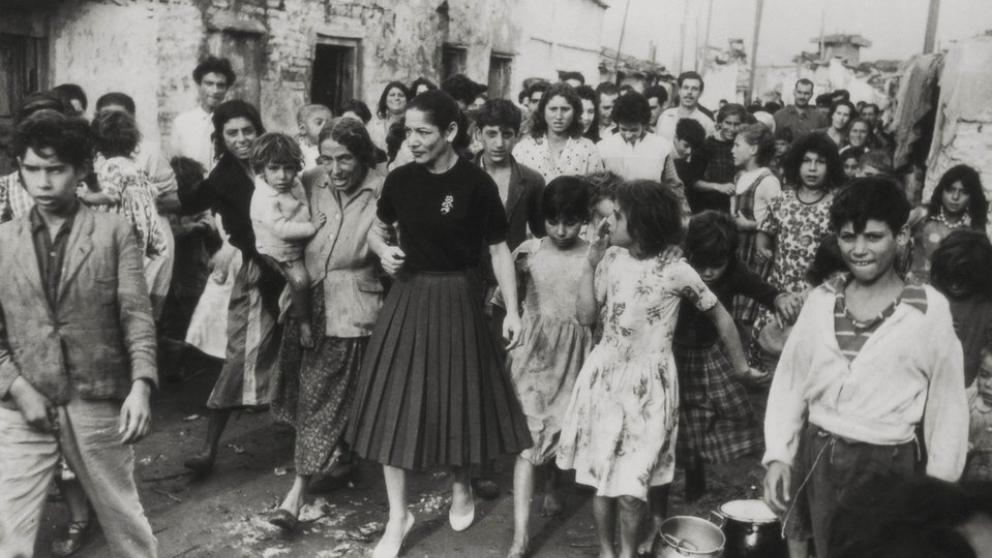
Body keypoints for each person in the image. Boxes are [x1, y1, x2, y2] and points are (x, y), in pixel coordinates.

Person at [344, 91, 532, 558]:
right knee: (394, 406)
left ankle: (462, 483)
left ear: (450, 132)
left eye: (423, 131)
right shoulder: (400, 179)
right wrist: (384, 251)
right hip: (408, 297)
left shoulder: (476, 184)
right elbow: (377, 228)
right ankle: (397, 517)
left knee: (456, 400)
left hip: (458, 297)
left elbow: (497, 249)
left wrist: (512, 309)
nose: (413, 140)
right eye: (408, 131)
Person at [763, 177, 969, 558]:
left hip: (886, 464)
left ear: (901, 235)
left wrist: (939, 489)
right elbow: (790, 381)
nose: (859, 250)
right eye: (847, 237)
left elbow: (948, 406)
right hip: (819, 452)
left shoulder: (926, 309)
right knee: (825, 548)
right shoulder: (822, 301)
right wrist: (779, 452)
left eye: (873, 237)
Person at [557, 180, 761, 558]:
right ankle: (607, 551)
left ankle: (629, 552)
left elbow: (719, 314)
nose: (607, 221)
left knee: (633, 487)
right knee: (602, 480)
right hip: (604, 378)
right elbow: (585, 315)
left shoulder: (676, 270)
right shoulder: (611, 259)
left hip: (650, 387)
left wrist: (741, 366)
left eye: (617, 215)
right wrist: (590, 263)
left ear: (643, 223)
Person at [0, 110, 158, 558]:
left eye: (56, 170)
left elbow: (136, 315)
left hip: (97, 397)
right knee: (10, 538)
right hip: (22, 401)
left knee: (127, 527)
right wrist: (15, 385)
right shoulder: (3, 241)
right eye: (32, 169)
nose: (43, 182)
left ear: (81, 170)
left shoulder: (114, 232)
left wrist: (141, 387)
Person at [267, 117, 386, 530]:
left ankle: (296, 495)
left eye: (345, 159)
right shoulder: (310, 179)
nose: (335, 170)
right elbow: (273, 213)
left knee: (323, 394)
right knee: (311, 391)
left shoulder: (383, 188)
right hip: (305, 299)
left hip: (351, 307)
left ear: (363, 156)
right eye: (327, 158)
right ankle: (344, 460)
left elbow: (387, 242)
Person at [179, 100, 286, 475]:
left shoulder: (276, 157)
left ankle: (321, 444)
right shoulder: (222, 177)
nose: (242, 139)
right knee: (240, 354)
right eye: (232, 134)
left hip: (294, 267)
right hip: (258, 273)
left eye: (247, 130)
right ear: (222, 139)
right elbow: (187, 203)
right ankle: (208, 448)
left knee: (305, 349)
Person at [675, 211, 798, 502]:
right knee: (688, 417)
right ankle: (694, 479)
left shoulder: (734, 270)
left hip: (715, 352)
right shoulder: (679, 265)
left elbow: (763, 290)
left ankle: (738, 459)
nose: (707, 273)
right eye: (701, 265)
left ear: (729, 257)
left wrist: (780, 298)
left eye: (715, 266)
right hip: (679, 354)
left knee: (735, 411)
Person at [505, 176, 595, 558]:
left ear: (585, 219)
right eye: (553, 220)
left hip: (576, 354)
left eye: (570, 222)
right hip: (533, 353)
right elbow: (506, 298)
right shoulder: (528, 252)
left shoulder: (596, 255)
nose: (560, 230)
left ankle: (552, 486)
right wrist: (509, 324)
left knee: (561, 427)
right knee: (528, 439)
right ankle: (521, 535)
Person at [94, 93, 180, 320]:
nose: (114, 124)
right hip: (114, 241)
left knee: (142, 317)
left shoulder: (148, 153)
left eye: (120, 117)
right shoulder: (94, 157)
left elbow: (173, 199)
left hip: (145, 241)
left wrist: (140, 200)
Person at [249, 133, 322, 348]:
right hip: (279, 249)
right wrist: (312, 227)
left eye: (289, 168)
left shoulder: (294, 183)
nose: (282, 176)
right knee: (300, 280)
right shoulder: (265, 197)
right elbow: (281, 229)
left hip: (296, 243)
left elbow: (302, 202)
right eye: (274, 169)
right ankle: (304, 324)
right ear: (262, 169)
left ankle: (291, 301)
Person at [596, 91, 689, 215]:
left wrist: (683, 213)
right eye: (623, 129)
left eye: (634, 130)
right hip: (614, 213)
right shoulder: (604, 147)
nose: (629, 135)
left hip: (651, 212)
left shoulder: (661, 146)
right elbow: (598, 187)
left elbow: (674, 185)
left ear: (644, 124)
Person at [730, 123, 782, 325]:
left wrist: (750, 226)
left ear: (753, 149)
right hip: (739, 251)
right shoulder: (740, 176)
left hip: (756, 254)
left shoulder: (768, 180)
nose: (732, 150)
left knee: (748, 316)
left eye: (737, 145)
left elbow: (779, 220)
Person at [908, 165, 988, 282]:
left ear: (972, 197)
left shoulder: (972, 230)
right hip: (914, 288)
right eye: (950, 190)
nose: (955, 197)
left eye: (963, 192)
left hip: (950, 293)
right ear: (942, 190)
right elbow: (893, 233)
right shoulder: (923, 215)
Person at [512, 82, 604, 183]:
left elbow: (597, 191)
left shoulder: (588, 149)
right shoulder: (523, 149)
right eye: (553, 109)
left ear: (575, 112)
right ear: (543, 111)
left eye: (565, 109)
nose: (559, 116)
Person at [170, 56, 235, 171]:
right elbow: (175, 162)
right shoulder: (182, 122)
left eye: (220, 85)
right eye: (209, 84)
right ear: (199, 85)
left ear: (227, 89)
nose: (215, 91)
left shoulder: (234, 122)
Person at [692, 103, 748, 213]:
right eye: (728, 123)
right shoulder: (706, 146)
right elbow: (694, 182)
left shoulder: (744, 146)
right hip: (708, 207)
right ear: (720, 123)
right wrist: (718, 186)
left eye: (736, 124)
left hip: (736, 207)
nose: (732, 128)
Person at [655, 71, 716, 140]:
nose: (689, 92)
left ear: (700, 93)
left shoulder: (707, 123)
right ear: (679, 90)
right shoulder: (665, 115)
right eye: (686, 87)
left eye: (694, 89)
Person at [672, 118, 710, 213]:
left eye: (693, 147)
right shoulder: (663, 155)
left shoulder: (696, 158)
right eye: (686, 145)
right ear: (676, 138)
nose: (689, 151)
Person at [368, 81, 410, 152]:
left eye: (401, 95)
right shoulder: (373, 127)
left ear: (407, 101)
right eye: (392, 95)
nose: (396, 98)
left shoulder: (411, 126)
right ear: (385, 100)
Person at [296, 104, 333, 170]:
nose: (325, 126)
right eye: (319, 123)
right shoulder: (295, 150)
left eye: (329, 123)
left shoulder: (331, 149)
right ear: (303, 128)